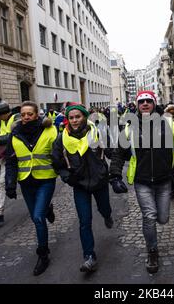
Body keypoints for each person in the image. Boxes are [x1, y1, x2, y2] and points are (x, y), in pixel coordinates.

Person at [109, 90, 174, 274]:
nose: (145, 104)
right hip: (142, 181)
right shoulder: (130, 126)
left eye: (148, 101)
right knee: (149, 216)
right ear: (137, 106)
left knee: (162, 218)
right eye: (141, 102)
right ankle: (152, 251)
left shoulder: (168, 123)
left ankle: (155, 239)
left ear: (154, 103)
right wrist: (115, 176)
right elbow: (118, 153)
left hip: (164, 181)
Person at [52, 104, 113, 273]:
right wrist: (67, 177)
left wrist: (112, 171)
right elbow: (57, 163)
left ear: (84, 117)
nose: (74, 120)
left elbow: (111, 152)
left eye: (77, 117)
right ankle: (89, 256)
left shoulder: (97, 133)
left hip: (99, 182)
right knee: (84, 221)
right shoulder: (61, 138)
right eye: (71, 118)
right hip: (79, 185)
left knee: (104, 208)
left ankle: (107, 216)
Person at [5, 101, 58, 276]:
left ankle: (43, 255)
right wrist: (10, 184)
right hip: (26, 181)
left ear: (37, 115)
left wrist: (66, 171)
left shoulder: (50, 130)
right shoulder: (15, 133)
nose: (26, 117)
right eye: (23, 114)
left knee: (37, 217)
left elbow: (58, 153)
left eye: (30, 114)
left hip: (46, 179)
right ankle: (47, 208)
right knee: (38, 214)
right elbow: (11, 161)